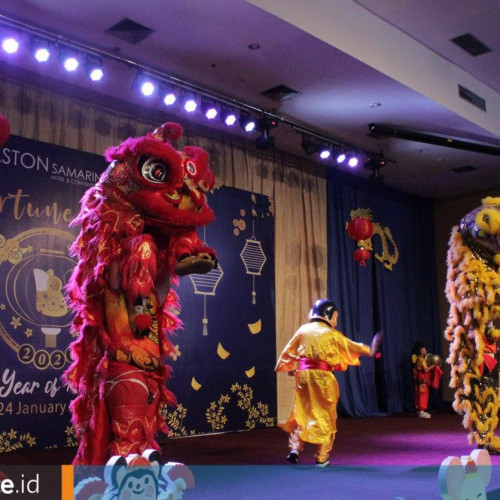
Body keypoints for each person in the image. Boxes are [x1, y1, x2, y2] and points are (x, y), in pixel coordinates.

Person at [275, 298, 380, 467]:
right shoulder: (332, 334)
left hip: (303, 375)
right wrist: (370, 350)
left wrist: (292, 367)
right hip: (322, 378)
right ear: (331, 316)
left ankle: (295, 448)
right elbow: (351, 346)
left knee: (302, 411)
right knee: (326, 416)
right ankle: (321, 457)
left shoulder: (304, 329)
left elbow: (289, 350)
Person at [411, 341, 443, 419]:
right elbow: (425, 370)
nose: (426, 351)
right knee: (423, 395)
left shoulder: (418, 359)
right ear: (421, 350)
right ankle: (422, 412)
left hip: (419, 380)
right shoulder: (422, 360)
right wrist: (432, 366)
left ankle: (420, 410)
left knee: (419, 395)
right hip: (423, 380)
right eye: (424, 350)